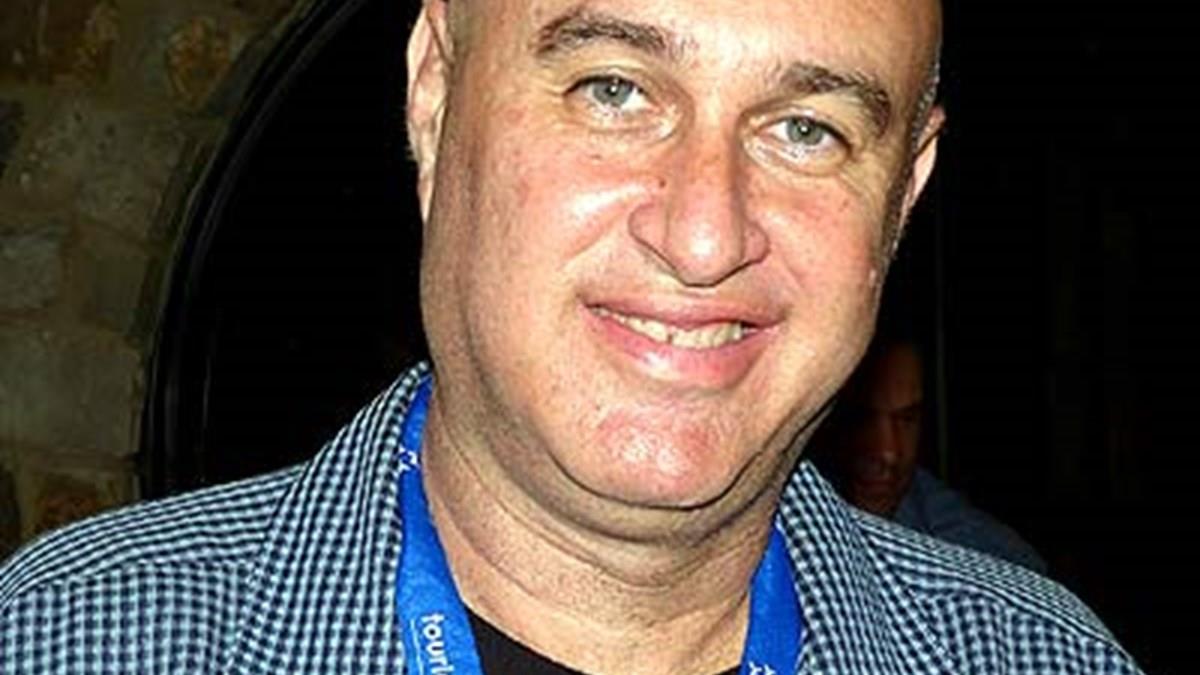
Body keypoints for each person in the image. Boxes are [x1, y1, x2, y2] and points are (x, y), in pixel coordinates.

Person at [0, 0, 1142, 673]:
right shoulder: (65, 642)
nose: (705, 235)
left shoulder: (1043, 660)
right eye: (612, 89)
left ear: (905, 191)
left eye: (806, 129)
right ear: (434, 93)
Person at [811, 339, 1050, 573]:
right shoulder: (801, 530)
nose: (888, 452)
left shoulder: (979, 556)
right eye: (863, 418)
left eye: (906, 419)